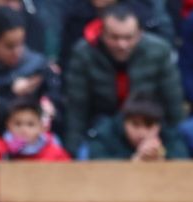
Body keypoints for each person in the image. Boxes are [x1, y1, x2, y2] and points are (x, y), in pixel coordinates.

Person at [61, 4, 185, 156]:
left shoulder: (159, 51)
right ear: (102, 33)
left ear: (140, 33)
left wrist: (177, 142)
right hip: (100, 132)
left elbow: (173, 104)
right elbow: (77, 110)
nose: (122, 44)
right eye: (114, 37)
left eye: (128, 37)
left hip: (148, 126)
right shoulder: (84, 54)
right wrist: (72, 152)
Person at [0, 7, 55, 107]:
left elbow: (56, 101)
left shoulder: (38, 66)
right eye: (10, 46)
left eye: (21, 43)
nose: (17, 52)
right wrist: (13, 96)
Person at [78, 94, 186, 158]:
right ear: (124, 121)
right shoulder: (105, 133)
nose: (142, 132)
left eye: (149, 125)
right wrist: (134, 162)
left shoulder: (170, 134)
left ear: (158, 125)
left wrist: (161, 161)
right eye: (135, 124)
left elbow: (184, 167)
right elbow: (96, 168)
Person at [0, 95, 72, 160]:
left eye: (31, 124)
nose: (23, 129)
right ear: (8, 125)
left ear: (41, 127)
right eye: (18, 124)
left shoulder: (55, 154)